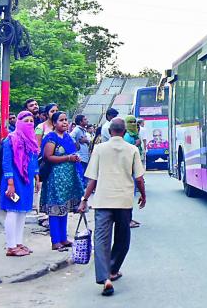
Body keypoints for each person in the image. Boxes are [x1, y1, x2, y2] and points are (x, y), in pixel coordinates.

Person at [79, 118, 146, 297]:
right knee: (123, 239)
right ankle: (113, 270)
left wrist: (84, 198)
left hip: (102, 201)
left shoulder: (100, 149)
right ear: (124, 132)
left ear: (110, 132)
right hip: (123, 202)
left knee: (101, 240)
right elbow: (139, 178)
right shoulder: (132, 149)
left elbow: (92, 178)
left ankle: (105, 277)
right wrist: (143, 195)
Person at [39, 111, 85, 251]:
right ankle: (55, 241)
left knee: (64, 208)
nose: (65, 122)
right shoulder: (51, 137)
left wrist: (75, 158)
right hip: (55, 177)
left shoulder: (67, 137)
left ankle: (63, 238)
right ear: (53, 123)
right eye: (61, 120)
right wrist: (68, 158)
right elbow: (48, 157)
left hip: (68, 177)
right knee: (55, 208)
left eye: (66, 120)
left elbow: (72, 153)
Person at [0, 111, 41, 257]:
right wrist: (10, 183)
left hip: (27, 181)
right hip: (14, 181)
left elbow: (34, 160)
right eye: (26, 121)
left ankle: (18, 243)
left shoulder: (32, 140)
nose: (29, 123)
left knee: (22, 212)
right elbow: (6, 162)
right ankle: (11, 246)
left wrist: (37, 176)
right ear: (19, 122)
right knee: (12, 211)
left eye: (31, 121)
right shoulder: (10, 139)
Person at [123, 115, 145, 228]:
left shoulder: (135, 134)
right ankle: (128, 220)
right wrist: (136, 144)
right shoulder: (127, 136)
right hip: (128, 169)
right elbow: (127, 151)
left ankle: (129, 219)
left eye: (134, 122)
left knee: (130, 195)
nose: (133, 124)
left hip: (133, 168)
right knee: (128, 195)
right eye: (130, 122)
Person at [70, 114, 92, 185]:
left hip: (84, 156)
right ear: (80, 122)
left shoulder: (83, 130)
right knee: (81, 174)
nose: (87, 120)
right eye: (85, 119)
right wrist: (76, 143)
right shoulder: (77, 129)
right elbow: (70, 137)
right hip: (80, 156)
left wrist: (86, 141)